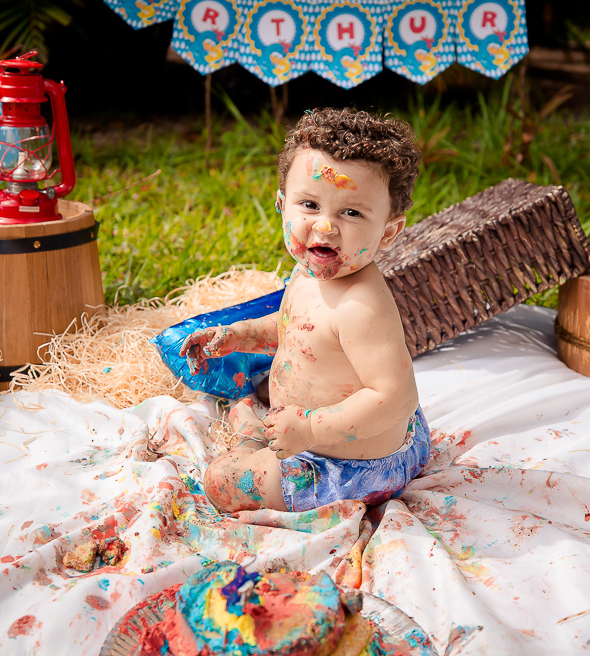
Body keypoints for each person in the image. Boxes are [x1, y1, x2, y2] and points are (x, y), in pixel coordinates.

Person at [184, 108, 429, 513]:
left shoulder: (360, 305)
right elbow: (297, 328)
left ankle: (251, 441)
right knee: (264, 393)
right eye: (310, 204)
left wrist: (311, 429)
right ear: (283, 206)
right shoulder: (310, 271)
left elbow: (397, 399)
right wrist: (241, 334)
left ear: (388, 231)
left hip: (351, 469)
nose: (326, 226)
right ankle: (265, 435)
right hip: (317, 436)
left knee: (221, 482)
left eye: (352, 212)